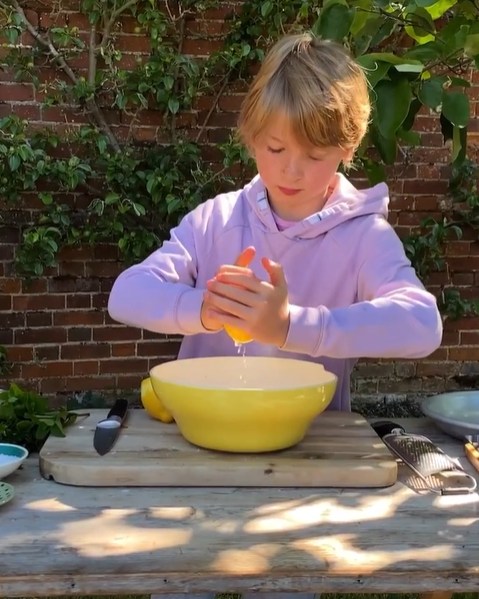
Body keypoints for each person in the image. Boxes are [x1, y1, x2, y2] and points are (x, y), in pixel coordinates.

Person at [108, 32, 443, 415]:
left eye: (314, 155)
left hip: (309, 445)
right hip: (204, 433)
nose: (291, 170)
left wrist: (291, 326)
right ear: (251, 139)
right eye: (275, 148)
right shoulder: (217, 220)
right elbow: (126, 294)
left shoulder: (364, 235)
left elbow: (422, 323)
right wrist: (206, 308)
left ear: (347, 149)